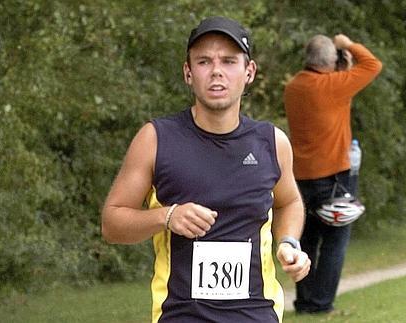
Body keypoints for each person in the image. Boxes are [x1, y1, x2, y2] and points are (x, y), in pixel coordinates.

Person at [101, 16, 310, 323]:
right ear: (188, 72)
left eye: (229, 61)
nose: (216, 72)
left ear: (249, 72)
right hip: (181, 315)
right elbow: (112, 224)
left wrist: (289, 243)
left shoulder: (272, 142)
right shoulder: (156, 139)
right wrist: (167, 216)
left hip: (256, 315)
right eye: (203, 61)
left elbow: (288, 201)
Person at [283, 34, 382, 313]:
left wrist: (341, 68)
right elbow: (372, 64)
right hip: (334, 177)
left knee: (308, 240)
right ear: (330, 61)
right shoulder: (334, 86)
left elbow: (325, 94)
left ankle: (304, 301)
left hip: (301, 176)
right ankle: (321, 303)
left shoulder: (293, 87)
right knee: (335, 241)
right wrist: (347, 44)